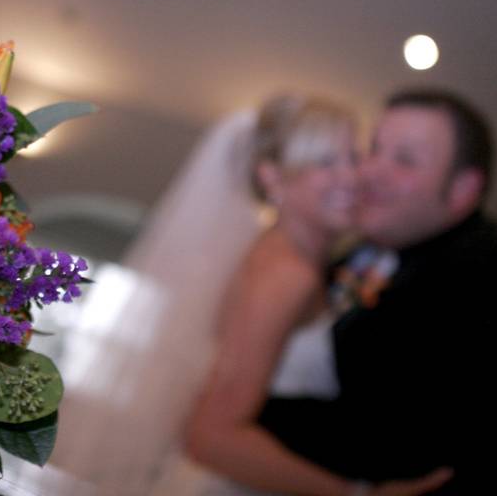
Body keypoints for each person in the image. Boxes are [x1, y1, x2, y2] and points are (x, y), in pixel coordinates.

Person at [258, 89, 497, 494]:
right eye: (374, 149)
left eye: (404, 160)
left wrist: (252, 415)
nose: (369, 171)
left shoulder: (495, 273)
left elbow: (401, 435)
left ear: (462, 190)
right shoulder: (365, 252)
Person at [177, 93, 450, 496]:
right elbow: (209, 436)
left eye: (353, 157)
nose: (352, 177)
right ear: (272, 177)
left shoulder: (281, 256)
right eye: (325, 162)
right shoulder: (287, 273)